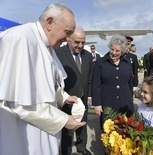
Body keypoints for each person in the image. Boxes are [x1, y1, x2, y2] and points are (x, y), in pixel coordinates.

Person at [0, 3, 86, 155]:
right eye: (67, 32)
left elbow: (47, 82)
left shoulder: (46, 43)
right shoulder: (19, 39)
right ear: (50, 22)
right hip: (23, 136)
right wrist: (63, 120)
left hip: (43, 131)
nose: (67, 40)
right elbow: (16, 102)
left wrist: (63, 97)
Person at [56, 27, 93, 155]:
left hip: (83, 97)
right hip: (67, 98)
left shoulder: (87, 55)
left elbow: (89, 77)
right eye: (77, 42)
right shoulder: (58, 53)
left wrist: (89, 96)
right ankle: (66, 151)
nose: (80, 45)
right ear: (68, 39)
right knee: (67, 127)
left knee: (82, 125)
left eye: (83, 42)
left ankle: (81, 149)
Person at [92, 34, 134, 129]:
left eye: (117, 50)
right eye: (112, 49)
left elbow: (129, 83)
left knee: (127, 132)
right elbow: (96, 84)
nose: (114, 53)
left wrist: (130, 99)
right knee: (109, 133)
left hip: (125, 103)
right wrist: (97, 104)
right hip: (108, 104)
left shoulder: (127, 63)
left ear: (122, 51)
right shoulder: (100, 62)